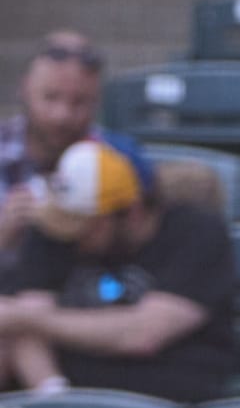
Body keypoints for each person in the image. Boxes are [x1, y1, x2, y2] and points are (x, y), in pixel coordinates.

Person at [0, 138, 239, 402]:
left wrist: (29, 318)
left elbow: (144, 334)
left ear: (132, 212)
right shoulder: (53, 230)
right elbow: (20, 330)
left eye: (86, 223)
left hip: (168, 399)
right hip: (68, 396)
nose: (72, 235)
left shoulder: (197, 232)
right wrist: (55, 399)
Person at [1, 32, 140, 260]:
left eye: (79, 101)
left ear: (97, 101)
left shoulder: (116, 159)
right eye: (50, 97)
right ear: (25, 88)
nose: (62, 115)